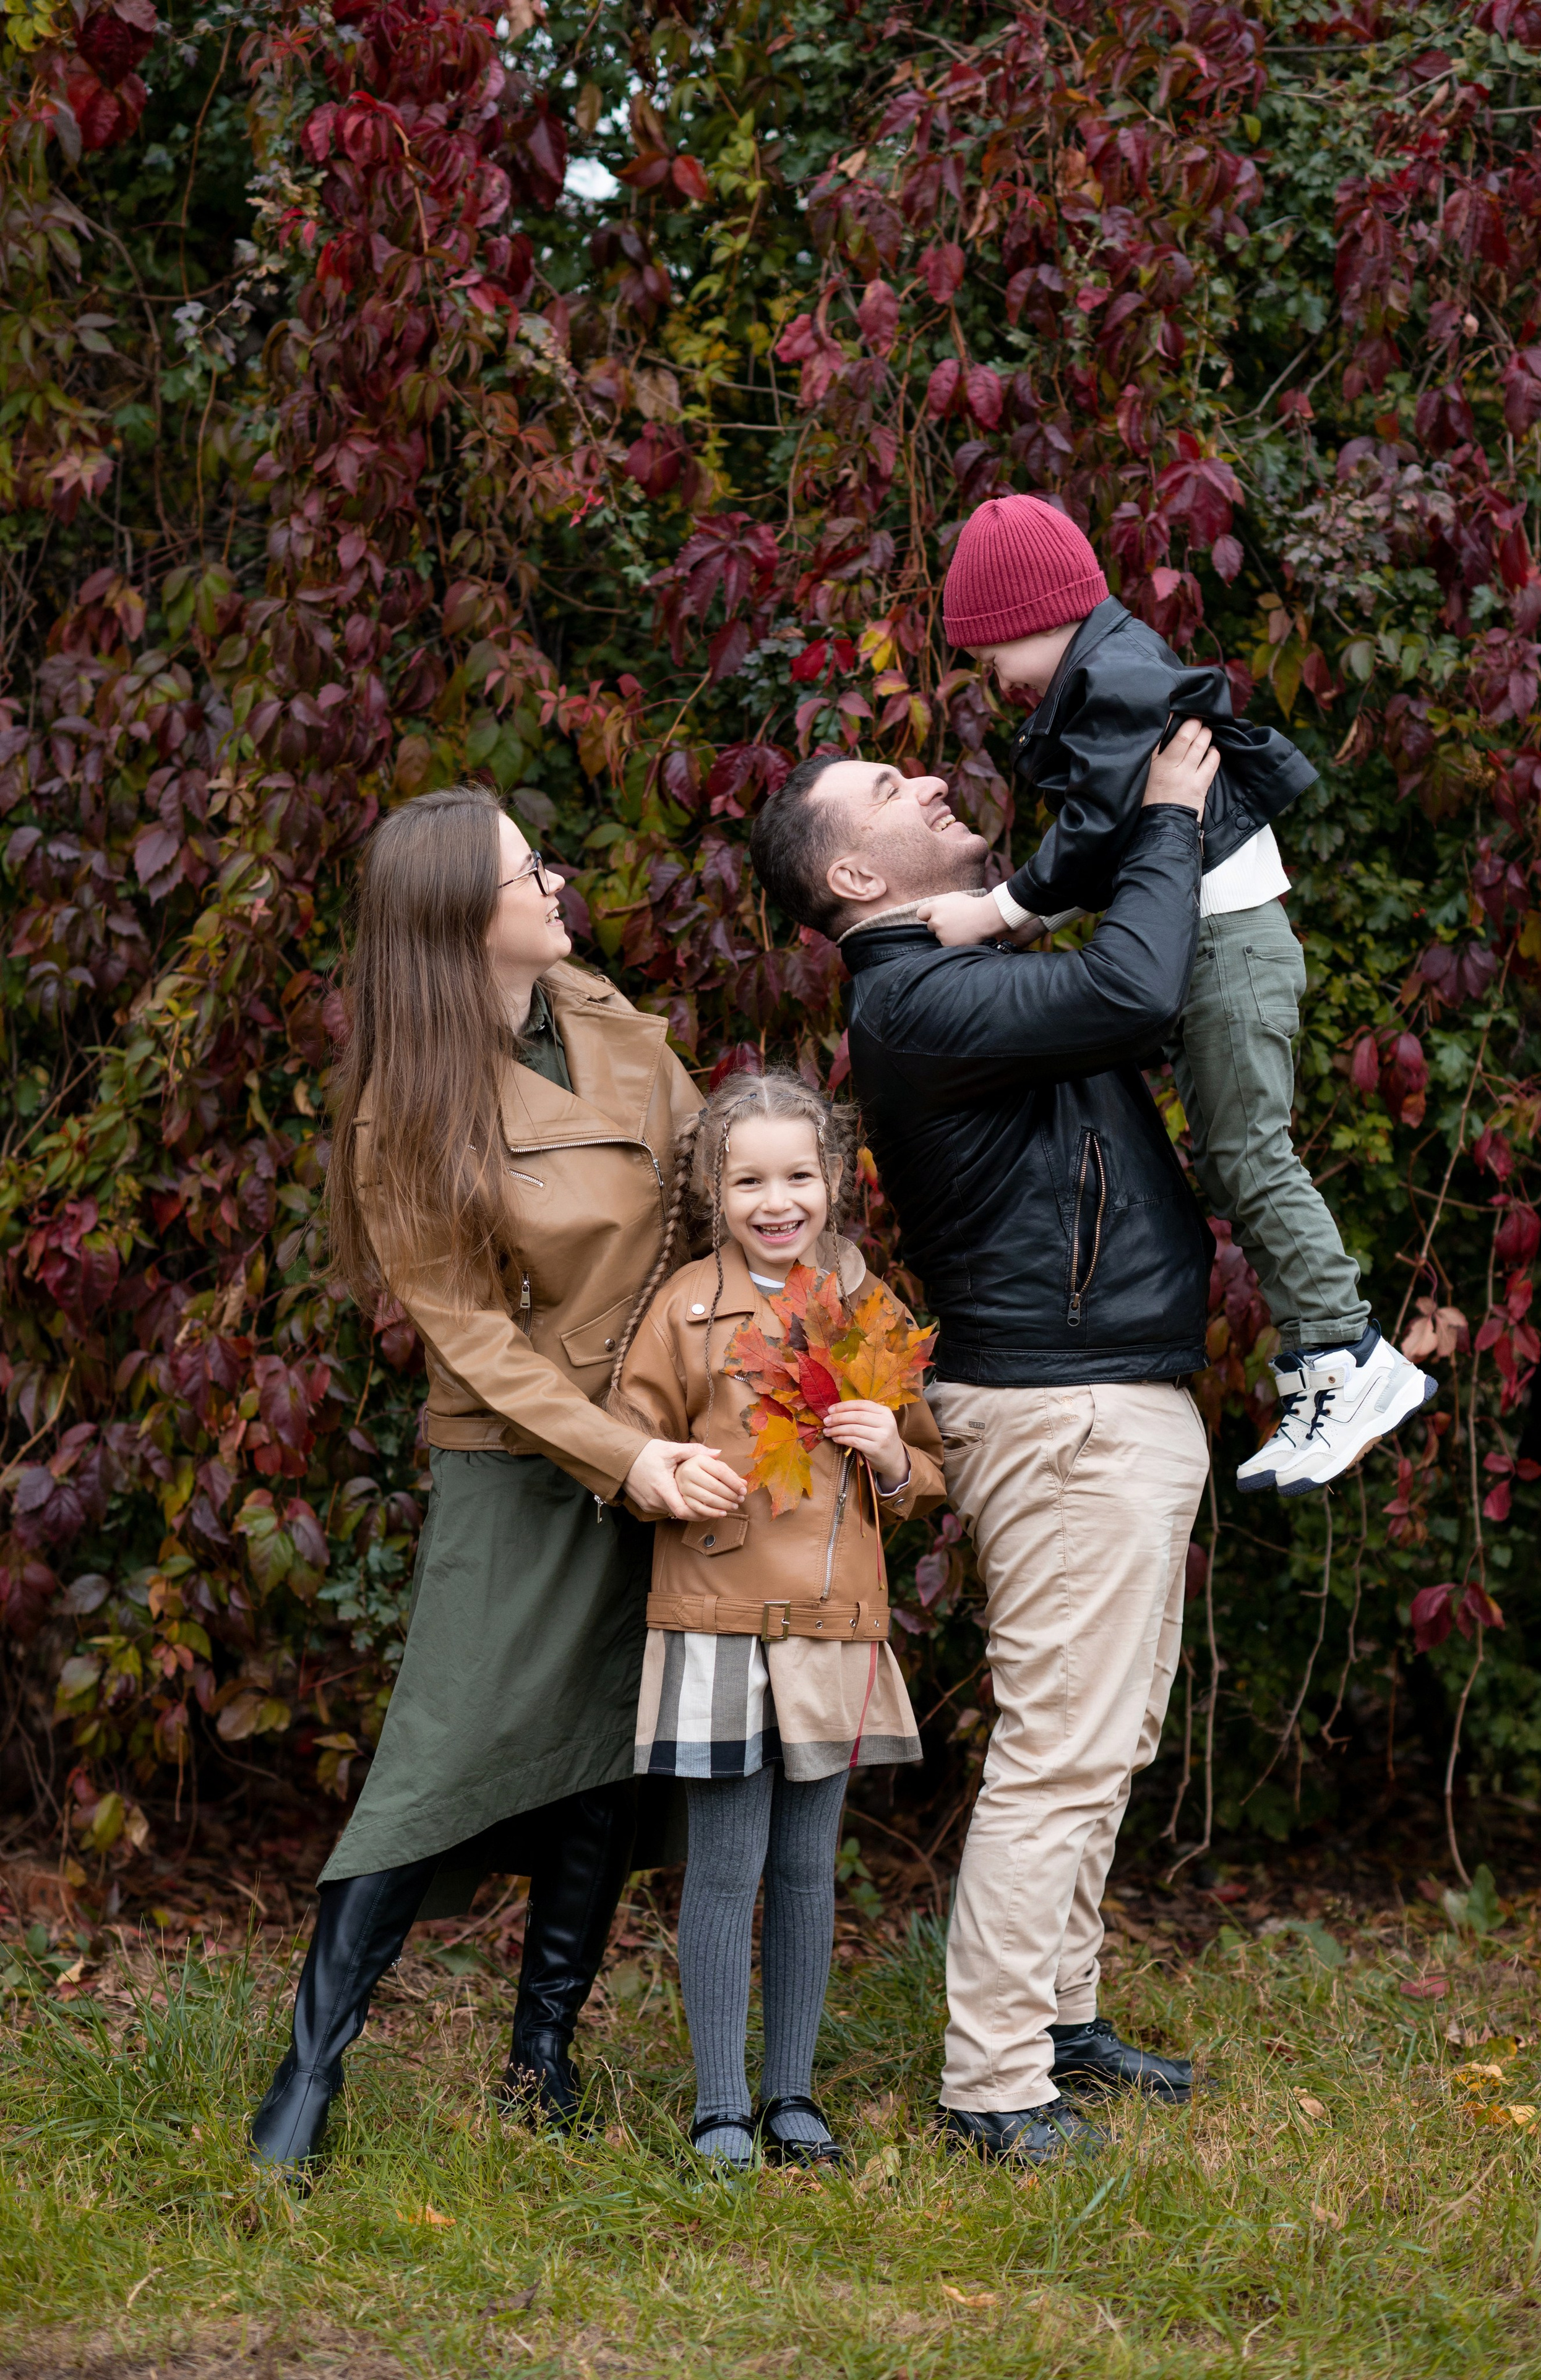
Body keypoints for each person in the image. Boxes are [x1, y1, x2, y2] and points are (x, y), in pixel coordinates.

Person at [249, 784, 744, 2173]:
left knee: (601, 1758)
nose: (558, 882)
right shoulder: (406, 1108)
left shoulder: (598, 1016)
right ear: (463, 916)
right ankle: (307, 2079)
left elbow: (711, 1176)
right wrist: (625, 1456)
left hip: (669, 1433)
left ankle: (543, 2059)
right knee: (438, 1759)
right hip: (526, 1468)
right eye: (533, 870)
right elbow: (473, 1346)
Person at [746, 723, 1219, 2165]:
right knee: (1061, 1748)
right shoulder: (913, 1003)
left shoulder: (953, 978)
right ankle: (994, 2081)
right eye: (889, 792)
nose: (931, 783)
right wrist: (1170, 815)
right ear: (849, 868)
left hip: (1107, 1391)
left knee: (1108, 1733)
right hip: (1065, 1406)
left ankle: (1059, 2020)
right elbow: (1137, 982)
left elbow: (1115, 997)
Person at [917, 492, 1437, 1496]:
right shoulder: (1112, 672)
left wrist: (1001, 912)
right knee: (1238, 1156)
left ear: (1031, 616)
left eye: (990, 655)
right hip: (1215, 944)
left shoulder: (1117, 678)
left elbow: (1108, 824)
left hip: (1226, 947)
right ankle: (1332, 1360)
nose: (992, 680)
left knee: (1252, 1154)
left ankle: (1348, 1357)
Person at [607, 1070, 946, 2172]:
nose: (775, 1199)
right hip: (713, 1612)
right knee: (724, 1866)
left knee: (808, 1867)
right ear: (714, 1188)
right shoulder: (685, 1307)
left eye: (798, 1175)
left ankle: (793, 2097)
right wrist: (661, 1477)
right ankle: (719, 2105)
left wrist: (892, 1451)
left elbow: (930, 1465)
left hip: (834, 1620)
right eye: (748, 1179)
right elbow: (626, 1441)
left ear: (834, 1182)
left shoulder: (868, 1309)